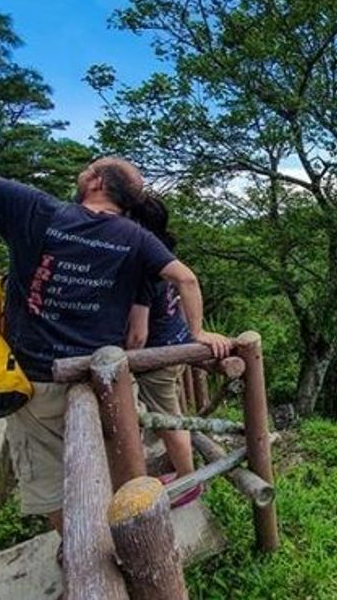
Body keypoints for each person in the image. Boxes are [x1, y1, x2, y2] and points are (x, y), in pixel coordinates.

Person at [0, 58, 230, 535]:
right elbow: (186, 278)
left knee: (52, 485)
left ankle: (77, 552)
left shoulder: (38, 212)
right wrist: (198, 332)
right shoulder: (136, 239)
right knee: (119, 471)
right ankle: (127, 546)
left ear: (93, 183)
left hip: (40, 381)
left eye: (87, 168)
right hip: (104, 378)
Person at [126, 194, 201, 507]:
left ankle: (189, 481)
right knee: (173, 416)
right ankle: (184, 472)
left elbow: (138, 334)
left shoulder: (142, 267)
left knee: (169, 421)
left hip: (158, 357)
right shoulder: (165, 255)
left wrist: (125, 359)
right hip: (178, 343)